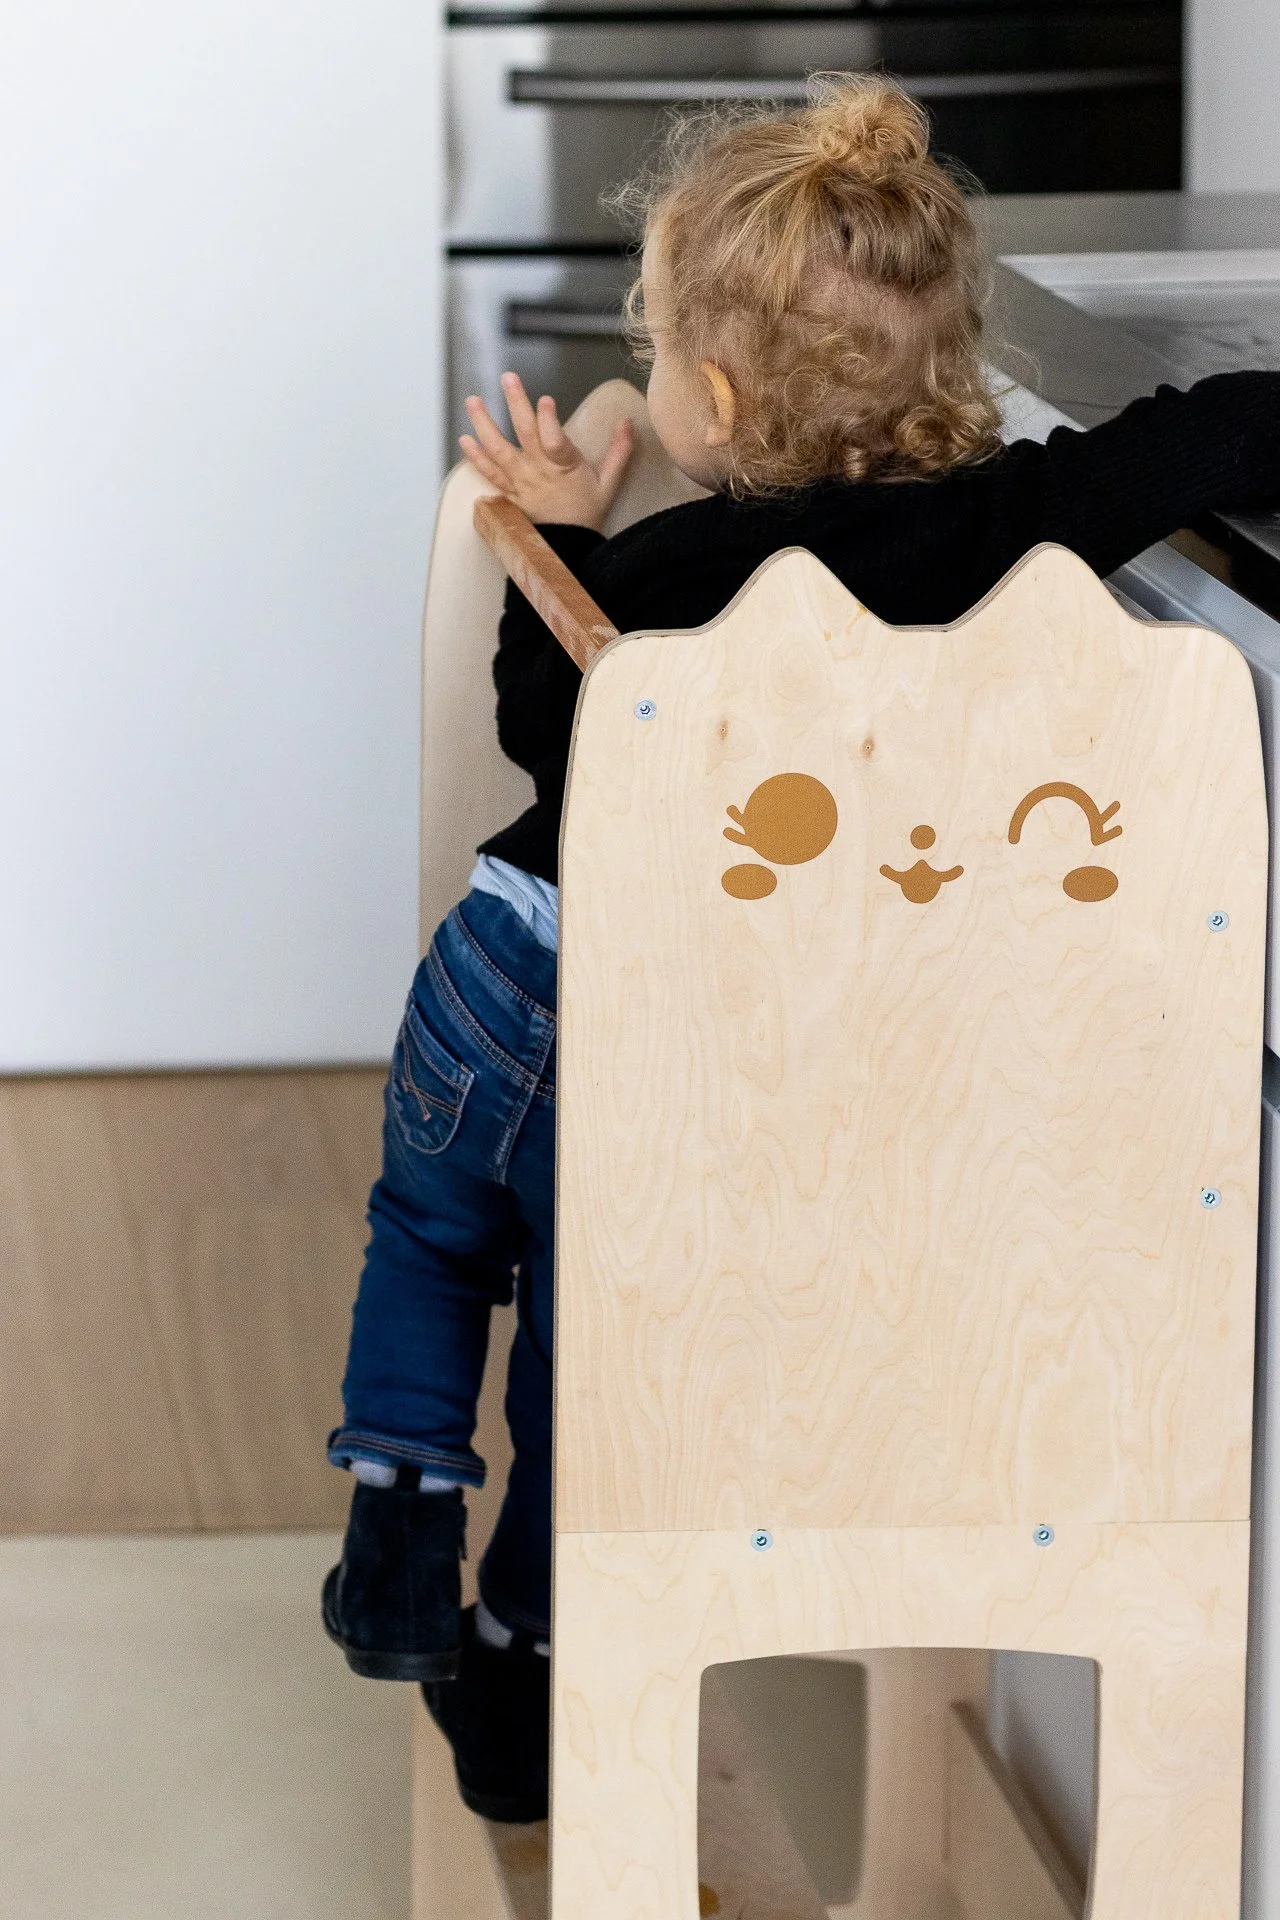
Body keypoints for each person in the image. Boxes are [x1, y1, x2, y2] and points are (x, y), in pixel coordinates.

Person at [323, 73, 1280, 1822]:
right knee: (586, 1361)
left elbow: (551, 726)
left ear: (714, 394)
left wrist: (555, 533)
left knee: (434, 1232)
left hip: (521, 980)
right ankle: (531, 1653)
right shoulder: (1011, 530)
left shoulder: (679, 566)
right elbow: (1198, 435)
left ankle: (395, 1496)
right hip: (686, 1048)